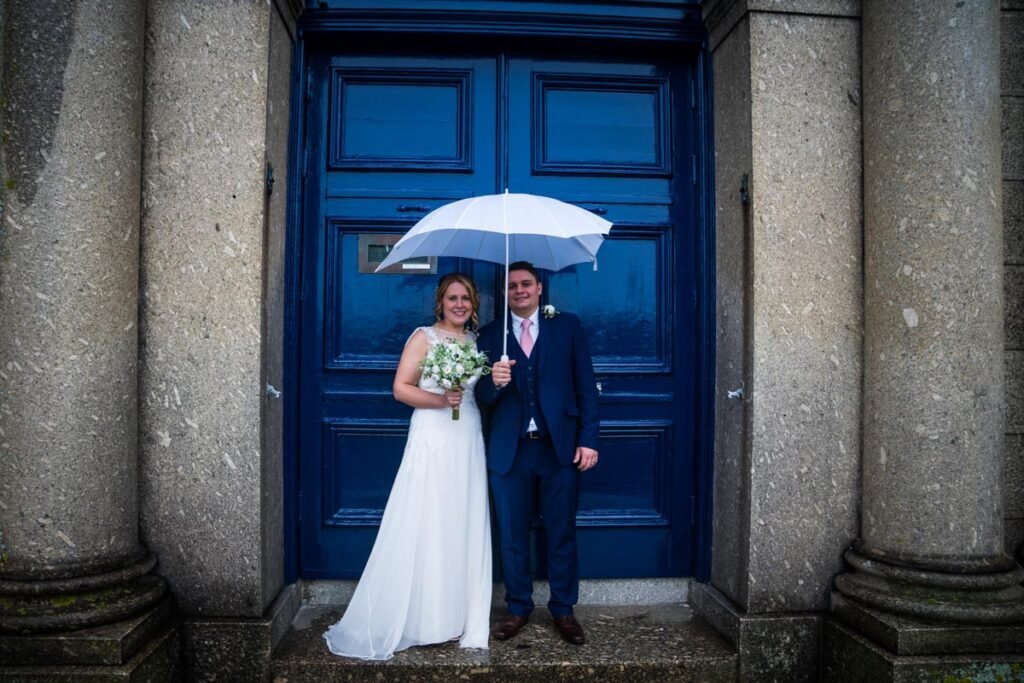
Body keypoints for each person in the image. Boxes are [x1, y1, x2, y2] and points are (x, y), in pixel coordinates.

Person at [323, 273, 492, 660]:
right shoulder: (423, 337)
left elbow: (476, 392)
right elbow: (401, 388)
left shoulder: (474, 342)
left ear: (474, 304)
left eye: (466, 298)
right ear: (440, 303)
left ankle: (456, 615)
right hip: (433, 433)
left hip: (467, 434)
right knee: (427, 516)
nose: (459, 304)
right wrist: (440, 400)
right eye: (453, 298)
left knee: (459, 518)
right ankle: (423, 618)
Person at [475, 261, 600, 645]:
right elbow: (480, 398)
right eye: (512, 286)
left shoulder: (567, 327)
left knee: (560, 532)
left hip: (557, 449)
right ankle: (518, 608)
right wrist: (494, 383)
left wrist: (588, 438)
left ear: (540, 288)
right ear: (504, 293)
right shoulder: (490, 335)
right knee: (512, 534)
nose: (519, 291)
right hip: (508, 453)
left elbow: (585, 387)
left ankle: (563, 609)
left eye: (526, 284)